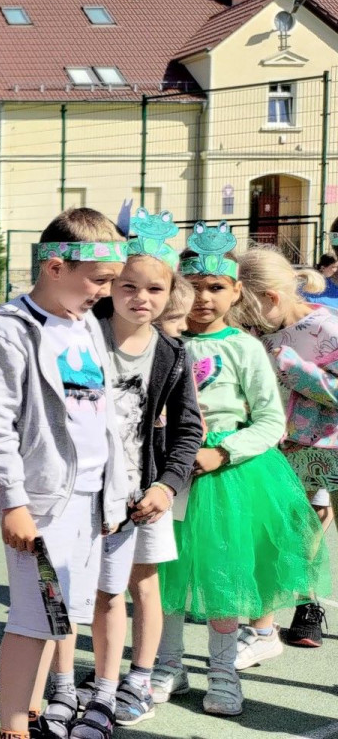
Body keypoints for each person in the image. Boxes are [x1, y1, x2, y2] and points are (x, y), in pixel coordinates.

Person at [151, 222, 329, 717]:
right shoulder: (161, 343)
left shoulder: (246, 348)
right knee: (166, 573)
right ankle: (168, 664)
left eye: (215, 287)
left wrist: (221, 452)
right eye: (192, 286)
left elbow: (270, 421)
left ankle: (223, 671)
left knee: (223, 577)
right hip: (167, 475)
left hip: (226, 478)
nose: (203, 298)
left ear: (235, 292)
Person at [0, 208, 130, 739]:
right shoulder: (8, 331)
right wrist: (13, 503)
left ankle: (33, 716)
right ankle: (13, 729)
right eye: (99, 280)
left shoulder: (84, 325)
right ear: (55, 267)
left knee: (60, 619)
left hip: (89, 500)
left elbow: (99, 419)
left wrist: (111, 495)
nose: (104, 293)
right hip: (42, 503)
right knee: (30, 622)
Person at [70, 211, 202, 732]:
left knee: (143, 583)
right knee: (103, 590)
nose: (140, 297)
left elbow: (189, 430)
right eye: (128, 285)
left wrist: (168, 486)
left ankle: (139, 677)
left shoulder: (171, 353)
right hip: (88, 492)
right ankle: (101, 681)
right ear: (111, 287)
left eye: (154, 288)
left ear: (171, 294)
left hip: (143, 493)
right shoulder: (84, 336)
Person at [239, 244, 337, 650]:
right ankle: (265, 626)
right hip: (281, 451)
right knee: (278, 531)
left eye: (248, 312)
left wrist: (293, 368)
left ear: (271, 298)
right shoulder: (259, 333)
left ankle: (304, 606)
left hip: (326, 450)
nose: (246, 323)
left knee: (307, 526)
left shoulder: (327, 329)